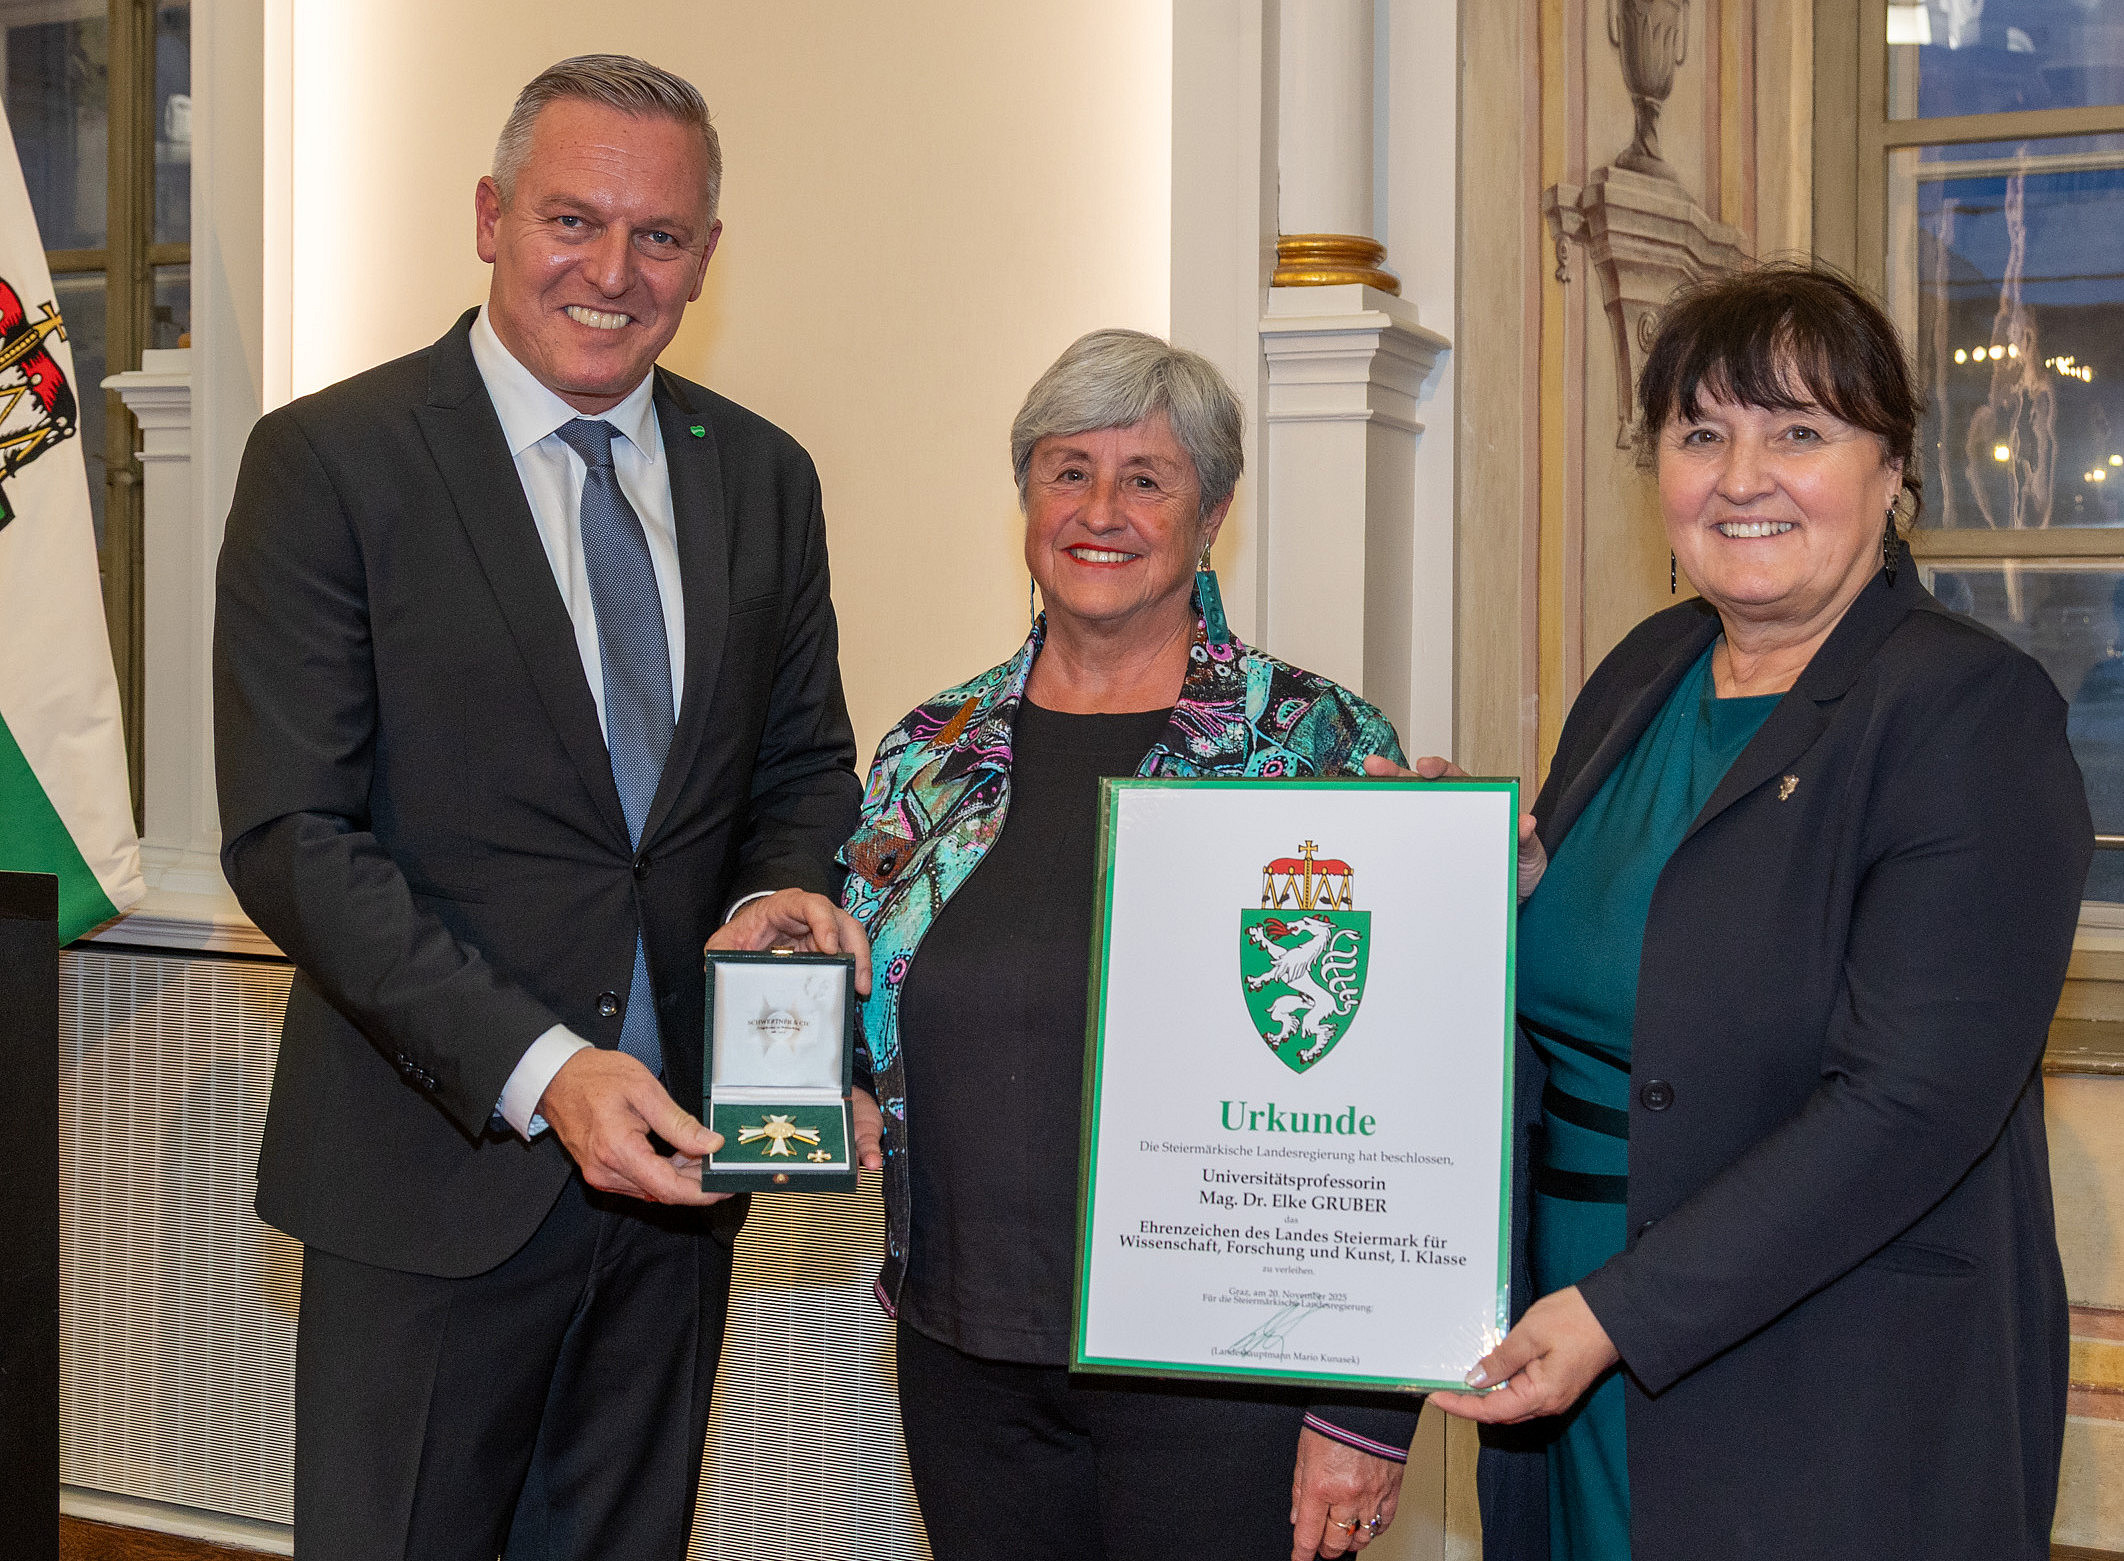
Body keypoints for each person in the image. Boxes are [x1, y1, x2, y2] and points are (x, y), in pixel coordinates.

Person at [214, 56, 875, 1560]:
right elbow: (292, 839)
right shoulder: (332, 463)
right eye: (574, 220)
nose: (613, 271)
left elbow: (800, 771)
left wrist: (784, 895)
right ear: (490, 216)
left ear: (707, 256)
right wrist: (545, 1065)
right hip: (433, 1177)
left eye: (661, 236)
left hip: (680, 1185)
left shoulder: (762, 476)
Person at [1419, 263, 2089, 1561]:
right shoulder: (1643, 672)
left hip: (1820, 1369)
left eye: (1799, 432)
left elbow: (1908, 1105)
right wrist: (1459, 883)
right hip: (1566, 1332)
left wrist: (1617, 1310)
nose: (1742, 477)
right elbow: (1624, 939)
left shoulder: (1968, 715)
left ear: (1892, 470)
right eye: (1700, 433)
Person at [839, 329, 1422, 1561]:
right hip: (967, 1353)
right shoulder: (929, 754)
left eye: (1146, 477)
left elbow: (1403, 1090)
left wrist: (1367, 1407)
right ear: (1026, 498)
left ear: (1212, 512)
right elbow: (877, 1017)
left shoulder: (1315, 742)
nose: (1101, 509)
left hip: (1227, 1378)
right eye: (1067, 470)